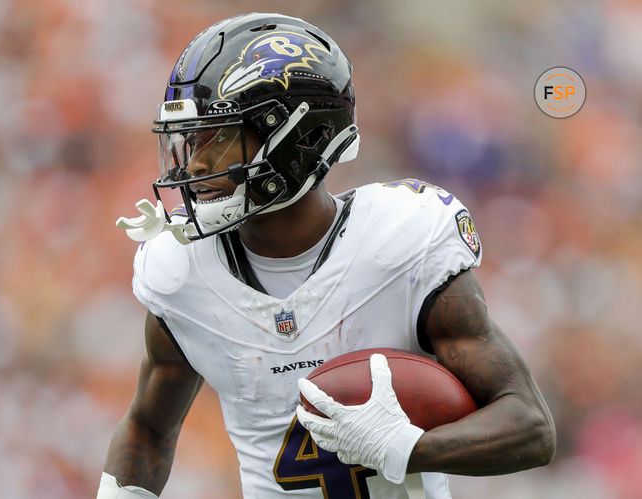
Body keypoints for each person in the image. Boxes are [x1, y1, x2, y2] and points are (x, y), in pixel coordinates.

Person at [98, 12, 556, 499]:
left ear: (299, 137)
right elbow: (148, 429)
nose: (194, 163)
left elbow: (529, 427)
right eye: (191, 140)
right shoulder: (181, 273)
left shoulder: (400, 245)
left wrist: (408, 449)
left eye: (219, 138)